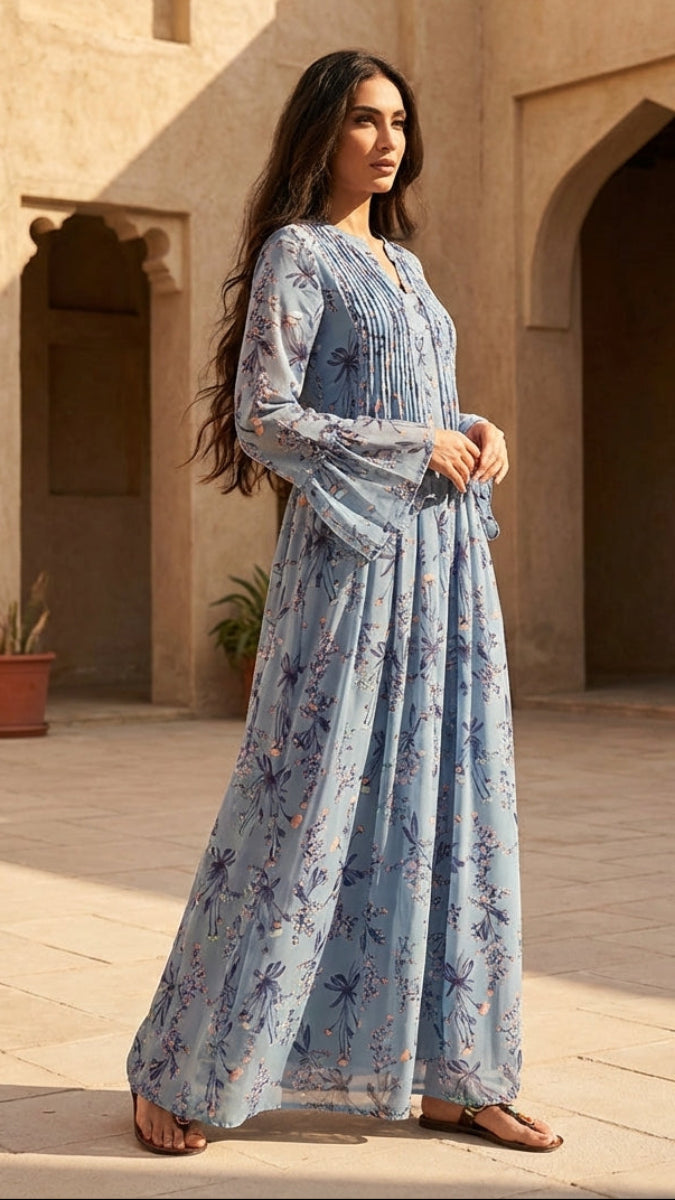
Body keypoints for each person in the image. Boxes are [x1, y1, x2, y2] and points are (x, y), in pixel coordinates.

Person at [127, 48, 563, 1157]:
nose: (386, 142)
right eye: (366, 120)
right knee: (299, 809)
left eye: (399, 123)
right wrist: (413, 443)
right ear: (320, 132)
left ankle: (460, 1075)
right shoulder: (298, 252)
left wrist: (472, 428)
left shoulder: (405, 267)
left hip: (446, 572)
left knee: (452, 803)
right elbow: (266, 416)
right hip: (353, 576)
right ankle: (179, 1066)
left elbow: (416, 400)